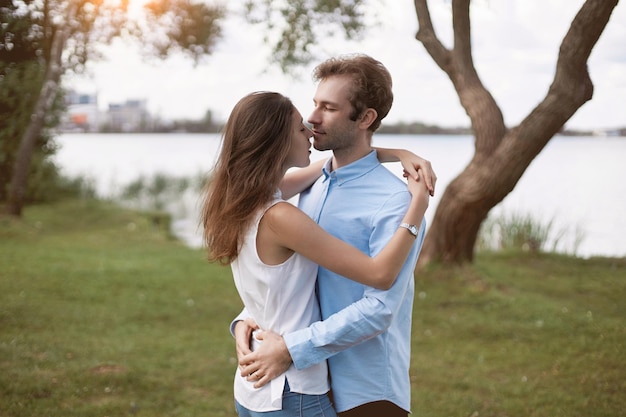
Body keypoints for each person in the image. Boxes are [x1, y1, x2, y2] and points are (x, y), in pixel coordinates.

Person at [201, 90, 431, 417]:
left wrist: (398, 153)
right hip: (294, 391)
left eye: (326, 107)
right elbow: (379, 275)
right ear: (277, 143)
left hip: (253, 392)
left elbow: (336, 163)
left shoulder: (242, 199)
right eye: (299, 128)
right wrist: (418, 205)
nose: (310, 128)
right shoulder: (281, 216)